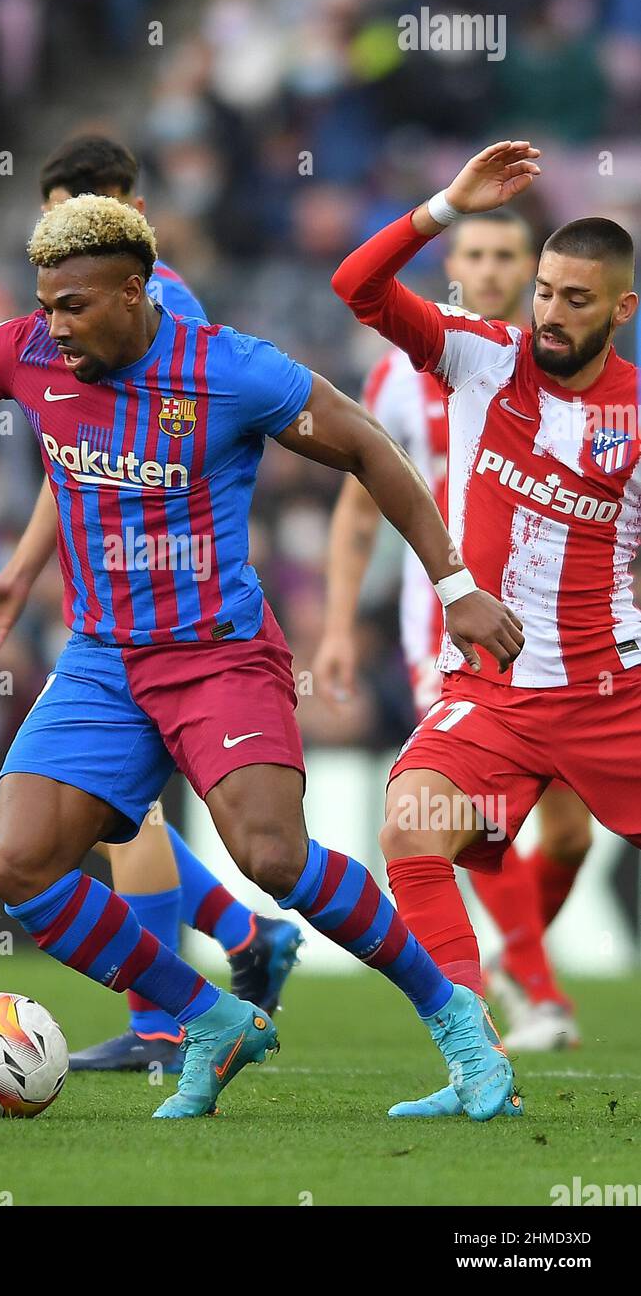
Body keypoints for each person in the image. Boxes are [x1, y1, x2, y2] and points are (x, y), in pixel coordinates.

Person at [0, 193, 524, 1120]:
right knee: (17, 865)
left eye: (74, 306)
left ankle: (462, 1032)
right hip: (104, 661)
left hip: (216, 656)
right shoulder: (26, 353)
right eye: (45, 304)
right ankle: (210, 1019)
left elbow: (371, 451)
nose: (53, 325)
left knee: (271, 857)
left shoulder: (227, 369)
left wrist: (455, 583)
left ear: (137, 292)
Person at [0, 134, 303, 1074]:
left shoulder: (154, 306)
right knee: (102, 825)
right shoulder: (68, 311)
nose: (61, 222)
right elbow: (71, 455)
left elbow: (161, 445)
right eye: (50, 204)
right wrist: (27, 567)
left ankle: (166, 1020)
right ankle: (240, 939)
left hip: (177, 608)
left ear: (128, 211)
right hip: (108, 605)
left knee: (126, 821)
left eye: (83, 201)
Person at [331, 139, 641, 1117]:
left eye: (575, 300)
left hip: (612, 685)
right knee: (411, 825)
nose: (548, 311)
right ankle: (478, 1061)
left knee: (559, 845)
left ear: (621, 310)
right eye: (545, 290)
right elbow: (357, 285)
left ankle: (525, 979)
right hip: (495, 690)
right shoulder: (479, 357)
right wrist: (443, 208)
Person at [316, 208, 588, 1053]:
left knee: (570, 833)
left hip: (568, 638)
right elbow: (360, 504)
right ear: (455, 267)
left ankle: (511, 960)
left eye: (510, 254)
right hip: (450, 630)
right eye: (476, 252)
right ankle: (527, 995)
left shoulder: (575, 376)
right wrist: (333, 625)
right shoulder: (410, 373)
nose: (493, 267)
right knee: (466, 815)